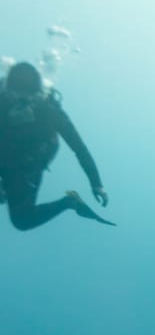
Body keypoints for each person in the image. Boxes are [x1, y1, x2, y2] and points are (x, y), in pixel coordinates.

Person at [0, 61, 112, 230]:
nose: (20, 105)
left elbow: (79, 148)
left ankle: (70, 202)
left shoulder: (50, 112)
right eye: (14, 97)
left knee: (22, 220)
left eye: (26, 99)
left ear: (37, 95)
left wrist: (97, 184)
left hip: (30, 163)